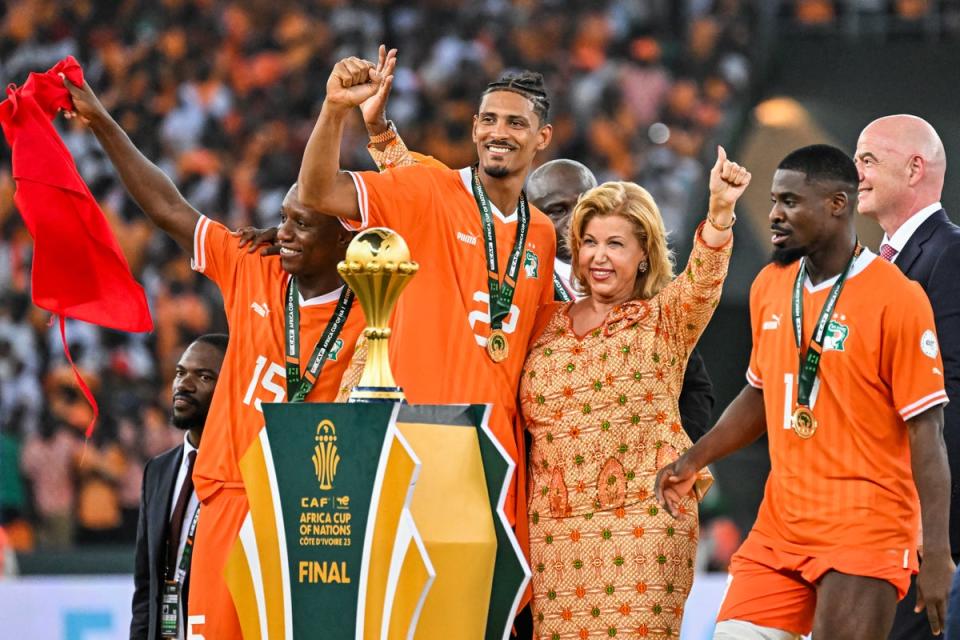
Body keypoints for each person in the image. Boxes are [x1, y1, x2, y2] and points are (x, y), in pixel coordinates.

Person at [62, 78, 367, 640]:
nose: (283, 232)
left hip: (310, 515)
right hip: (227, 497)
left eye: (303, 222)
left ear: (348, 237)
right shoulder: (252, 266)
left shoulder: (372, 305)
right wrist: (102, 120)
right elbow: (167, 207)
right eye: (283, 217)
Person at [655, 144, 954, 639]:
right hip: (781, 527)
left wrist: (938, 553)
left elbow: (928, 431)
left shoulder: (898, 297)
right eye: (774, 200)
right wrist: (693, 458)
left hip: (866, 527)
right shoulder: (770, 285)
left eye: (790, 202)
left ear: (837, 204)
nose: (773, 214)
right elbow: (758, 395)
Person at [297, 54, 558, 539]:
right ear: (475, 127)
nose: (500, 132)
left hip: (494, 457)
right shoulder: (427, 188)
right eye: (490, 120)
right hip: (413, 437)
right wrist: (334, 110)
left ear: (541, 138)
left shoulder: (540, 234)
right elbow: (316, 192)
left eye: (516, 123)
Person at [519, 147, 749, 638]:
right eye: (589, 243)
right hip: (553, 536)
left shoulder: (666, 318)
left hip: (645, 528)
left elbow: (705, 277)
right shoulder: (541, 322)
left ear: (644, 253)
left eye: (616, 244)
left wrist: (721, 211)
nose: (598, 257)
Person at [853, 114, 960, 640]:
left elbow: (951, 401)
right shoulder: (882, 265)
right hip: (883, 527)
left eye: (868, 159)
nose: (857, 174)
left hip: (927, 535)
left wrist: (934, 538)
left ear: (915, 168)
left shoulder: (951, 254)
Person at [526, 159, 716, 443]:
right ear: (530, 218)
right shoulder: (522, 291)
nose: (571, 221)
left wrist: (665, 459)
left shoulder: (647, 290)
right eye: (556, 211)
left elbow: (695, 390)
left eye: (581, 206)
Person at [130, 334, 227, 640]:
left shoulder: (248, 472)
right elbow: (146, 587)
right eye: (180, 372)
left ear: (232, 386)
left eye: (204, 376)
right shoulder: (157, 471)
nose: (183, 385)